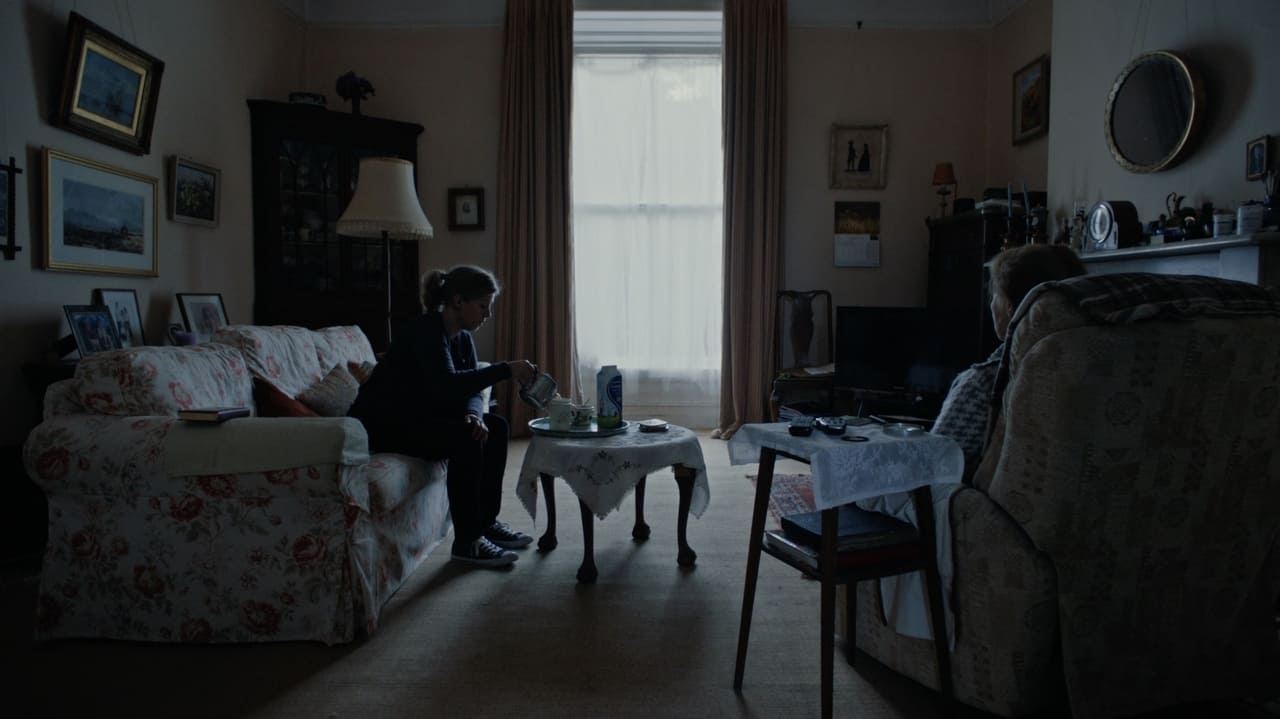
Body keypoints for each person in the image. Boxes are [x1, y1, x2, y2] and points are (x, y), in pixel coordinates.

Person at [347, 265, 539, 568]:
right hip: (386, 426)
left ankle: (486, 523)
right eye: (483, 306)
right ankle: (467, 542)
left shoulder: (462, 337)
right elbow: (445, 385)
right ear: (458, 301)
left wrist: (474, 414)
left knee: (495, 427)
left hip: (420, 416)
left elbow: (471, 388)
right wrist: (507, 369)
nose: (488, 314)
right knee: (465, 439)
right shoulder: (425, 330)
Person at [931, 242, 1088, 476]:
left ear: (1010, 308)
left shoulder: (984, 383)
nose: (991, 304)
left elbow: (933, 469)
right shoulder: (1112, 369)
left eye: (994, 295)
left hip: (986, 500)